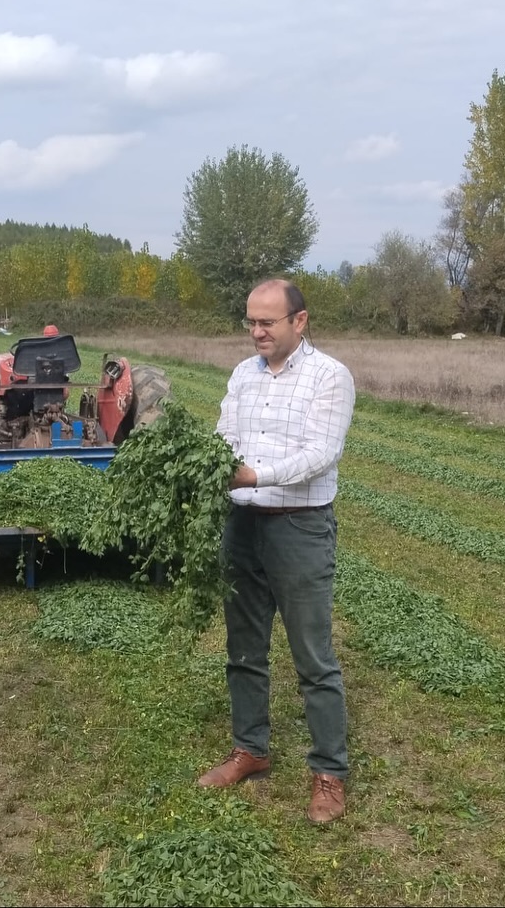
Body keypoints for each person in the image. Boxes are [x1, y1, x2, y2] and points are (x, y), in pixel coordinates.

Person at [202, 278, 356, 824]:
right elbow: (224, 434)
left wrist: (255, 475)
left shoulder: (329, 376)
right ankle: (251, 749)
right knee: (244, 647)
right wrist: (213, 465)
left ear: (300, 321)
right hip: (242, 524)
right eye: (251, 321)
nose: (257, 331)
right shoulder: (243, 374)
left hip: (299, 527)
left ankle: (329, 771)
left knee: (313, 656)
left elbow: (321, 453)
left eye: (267, 322)